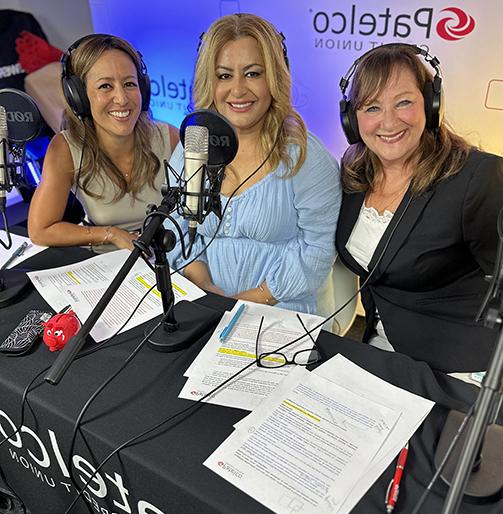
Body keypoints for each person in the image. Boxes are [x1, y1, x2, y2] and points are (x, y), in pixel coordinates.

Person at [335, 43, 503, 373]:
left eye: (403, 102)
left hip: (458, 365)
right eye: (371, 107)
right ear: (352, 119)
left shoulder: (475, 178)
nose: (388, 122)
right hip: (379, 347)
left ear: (431, 105)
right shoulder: (354, 175)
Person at [166, 13, 341, 314]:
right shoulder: (193, 145)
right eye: (224, 75)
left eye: (253, 73)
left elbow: (317, 251)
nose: (237, 90)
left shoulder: (306, 157)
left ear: (275, 77)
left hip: (280, 309)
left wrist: (244, 302)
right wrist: (208, 292)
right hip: (204, 301)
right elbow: (178, 229)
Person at [28, 34, 179, 251]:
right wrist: (110, 234)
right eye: (105, 86)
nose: (122, 98)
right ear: (79, 95)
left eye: (129, 83)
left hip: (167, 259)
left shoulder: (170, 138)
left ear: (143, 89)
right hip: (102, 267)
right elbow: (40, 230)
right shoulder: (65, 148)